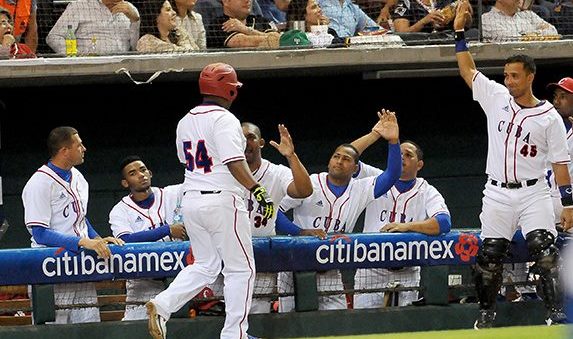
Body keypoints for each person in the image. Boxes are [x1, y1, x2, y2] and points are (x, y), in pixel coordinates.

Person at [454, 7, 573, 328]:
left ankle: (554, 314)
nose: (508, 80)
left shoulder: (549, 116)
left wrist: (569, 204)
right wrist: (459, 34)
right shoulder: (495, 96)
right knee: (489, 256)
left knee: (545, 254)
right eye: (506, 74)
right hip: (496, 192)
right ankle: (486, 314)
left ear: (530, 76)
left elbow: (561, 166)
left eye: (514, 75)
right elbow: (468, 71)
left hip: (533, 191)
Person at [146, 62, 274, 339]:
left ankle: (163, 304)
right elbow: (233, 162)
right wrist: (258, 190)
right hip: (222, 200)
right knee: (241, 269)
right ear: (229, 90)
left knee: (206, 265)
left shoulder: (185, 120)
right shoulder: (225, 120)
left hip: (191, 199)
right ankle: (235, 335)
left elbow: (187, 161)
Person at [277, 110, 402, 311]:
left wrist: (393, 142)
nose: (339, 161)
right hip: (295, 268)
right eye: (336, 156)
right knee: (291, 327)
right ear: (329, 161)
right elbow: (275, 212)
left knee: (337, 323)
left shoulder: (360, 189)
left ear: (355, 168)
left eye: (346, 159)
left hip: (330, 271)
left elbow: (392, 175)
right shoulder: (310, 183)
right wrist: (299, 231)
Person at [22, 126, 124, 324]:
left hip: (79, 267)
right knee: (54, 332)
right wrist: (84, 241)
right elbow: (40, 234)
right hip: (50, 267)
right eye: (79, 145)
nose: (84, 148)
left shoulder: (78, 177)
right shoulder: (39, 183)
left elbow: (80, 218)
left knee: (90, 330)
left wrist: (96, 239)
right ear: (64, 151)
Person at [350, 137, 451, 308]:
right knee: (365, 326)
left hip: (407, 272)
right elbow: (350, 156)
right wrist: (375, 134)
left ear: (419, 165)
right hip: (371, 269)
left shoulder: (427, 191)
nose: (402, 157)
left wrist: (406, 227)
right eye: (399, 153)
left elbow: (443, 223)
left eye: (408, 155)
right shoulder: (377, 178)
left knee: (403, 327)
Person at [241, 122, 324, 313]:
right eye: (240, 137)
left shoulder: (275, 173)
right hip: (228, 255)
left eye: (250, 137)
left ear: (261, 143)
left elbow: (304, 190)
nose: (245, 142)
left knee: (257, 313)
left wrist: (291, 156)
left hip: (261, 257)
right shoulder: (225, 171)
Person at [108, 155, 187, 320]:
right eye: (133, 173)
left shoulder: (171, 194)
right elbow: (125, 241)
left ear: (150, 173)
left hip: (178, 280)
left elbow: (198, 182)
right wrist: (166, 230)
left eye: (143, 170)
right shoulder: (120, 210)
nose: (140, 175)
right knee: (135, 329)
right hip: (142, 283)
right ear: (125, 183)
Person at [46, 0, 140, 55]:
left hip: (122, 69)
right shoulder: (79, 5)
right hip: (88, 68)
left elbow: (134, 48)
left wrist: (135, 21)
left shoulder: (131, 10)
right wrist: (75, 56)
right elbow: (54, 37)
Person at [205, 0, 281, 49]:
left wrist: (245, 29)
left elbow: (280, 40)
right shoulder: (219, 25)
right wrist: (270, 38)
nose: (248, 1)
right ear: (226, 1)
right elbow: (245, 43)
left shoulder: (261, 21)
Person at [481, 0, 558, 42]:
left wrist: (527, 36)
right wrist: (538, 34)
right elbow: (510, 40)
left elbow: (553, 31)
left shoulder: (529, 15)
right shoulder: (487, 19)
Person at [391, 0, 472, 33]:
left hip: (449, 44)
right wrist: (424, 21)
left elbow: (467, 25)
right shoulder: (405, 3)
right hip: (419, 49)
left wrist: (465, 10)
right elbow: (402, 33)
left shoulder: (447, 1)